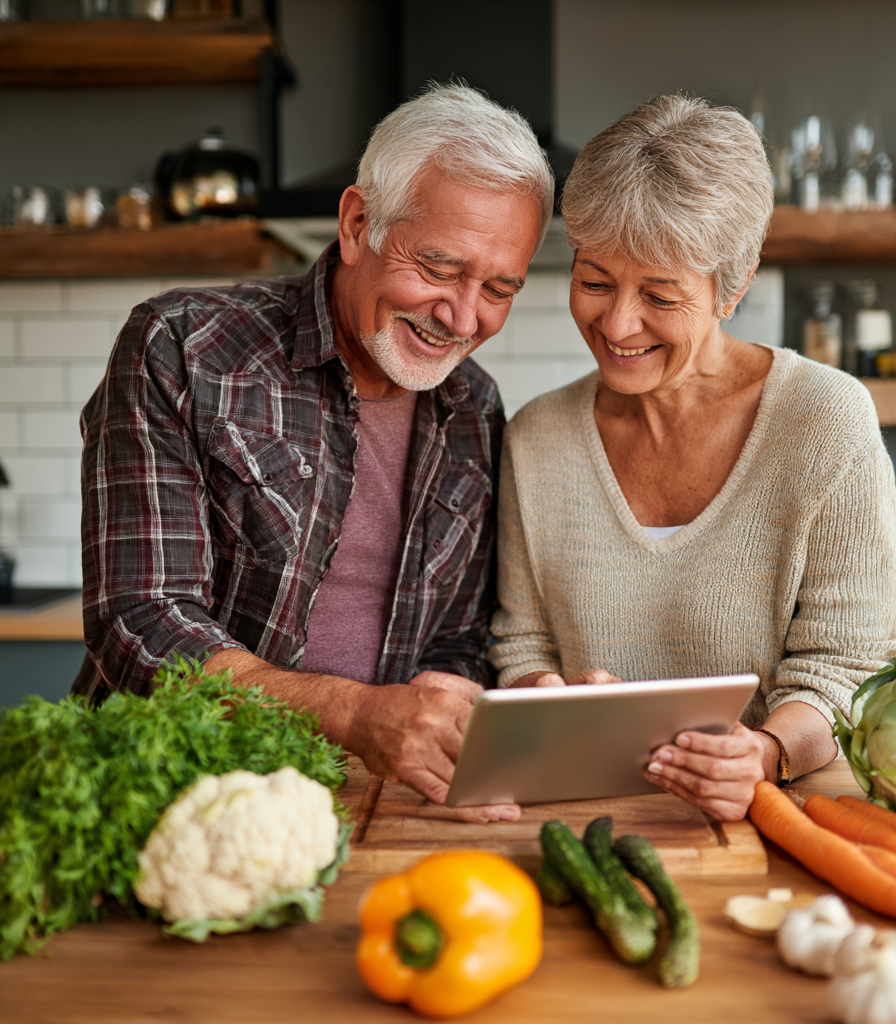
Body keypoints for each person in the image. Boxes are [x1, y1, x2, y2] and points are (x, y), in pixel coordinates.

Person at [73, 84, 554, 821]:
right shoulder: (184, 346)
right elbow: (144, 620)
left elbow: (454, 640)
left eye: (498, 288)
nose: (463, 319)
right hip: (168, 799)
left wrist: (469, 707)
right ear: (358, 224)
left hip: (366, 805)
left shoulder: (473, 407)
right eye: (438, 268)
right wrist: (354, 714)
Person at [488, 96, 896, 821]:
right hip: (580, 815)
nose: (618, 324)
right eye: (594, 282)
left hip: (774, 819)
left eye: (660, 295)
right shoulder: (537, 439)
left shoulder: (825, 421)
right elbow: (521, 644)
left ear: (734, 287)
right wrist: (543, 696)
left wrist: (765, 753)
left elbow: (853, 663)